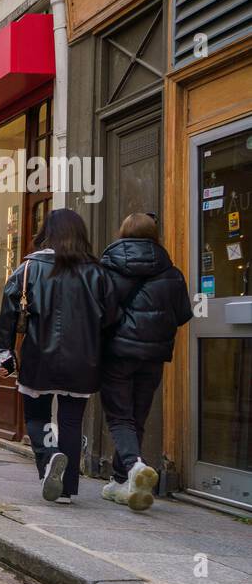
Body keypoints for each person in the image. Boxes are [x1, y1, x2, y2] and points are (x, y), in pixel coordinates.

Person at [0, 209, 118, 505]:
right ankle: (66, 490)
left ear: (46, 232)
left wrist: (5, 348)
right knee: (72, 422)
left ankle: (49, 459)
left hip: (40, 356)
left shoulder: (28, 269)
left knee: (36, 416)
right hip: (83, 360)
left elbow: (8, 314)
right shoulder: (98, 272)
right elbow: (111, 318)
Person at [98, 212, 193, 511]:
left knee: (119, 417)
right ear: (155, 236)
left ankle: (134, 466)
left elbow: (102, 312)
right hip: (153, 356)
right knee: (136, 416)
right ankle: (120, 480)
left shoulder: (109, 268)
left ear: (123, 232)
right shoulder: (172, 272)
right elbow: (182, 315)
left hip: (118, 354)